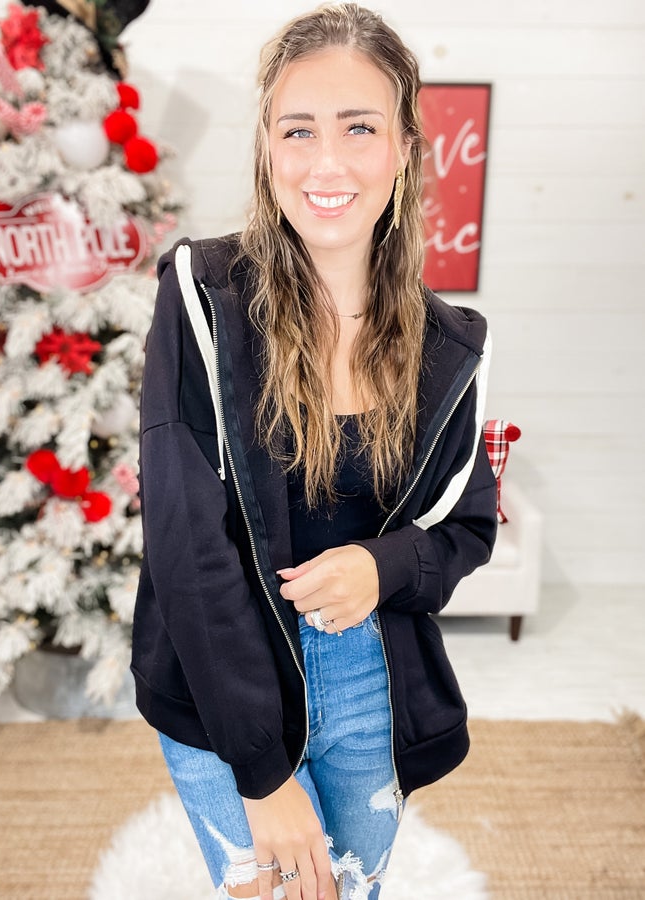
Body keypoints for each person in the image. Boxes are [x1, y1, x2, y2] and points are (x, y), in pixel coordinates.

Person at [131, 4, 498, 899]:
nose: (325, 162)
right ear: (267, 147)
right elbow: (185, 541)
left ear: (403, 149)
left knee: (353, 892)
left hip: (373, 682)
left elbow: (467, 528)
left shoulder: (451, 343)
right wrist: (261, 770)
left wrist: (381, 567)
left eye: (358, 128)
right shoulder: (203, 295)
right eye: (298, 130)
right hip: (224, 683)